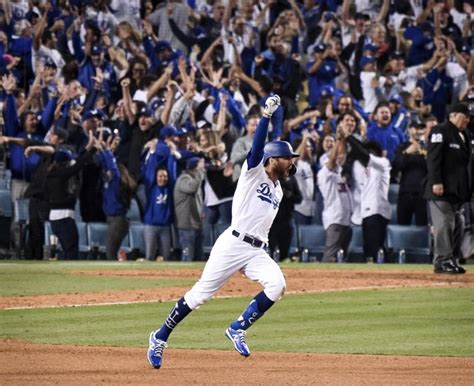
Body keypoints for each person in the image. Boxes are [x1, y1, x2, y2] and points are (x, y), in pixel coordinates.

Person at [147, 95, 298, 369]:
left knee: (277, 284)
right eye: (288, 157)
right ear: (273, 158)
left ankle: (237, 328)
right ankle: (159, 337)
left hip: (256, 250)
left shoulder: (277, 188)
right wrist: (266, 117)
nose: (292, 162)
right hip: (233, 243)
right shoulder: (253, 172)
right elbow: (256, 150)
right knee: (200, 295)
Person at [425, 102, 472, 274]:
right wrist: (436, 181)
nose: (467, 119)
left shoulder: (464, 135)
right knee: (444, 223)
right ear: (453, 115)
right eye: (464, 115)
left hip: (456, 191)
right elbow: (433, 158)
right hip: (441, 189)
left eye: (468, 116)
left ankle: (451, 259)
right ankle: (442, 260)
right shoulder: (440, 131)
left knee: (458, 223)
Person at [173, 156, 205, 262]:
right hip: (186, 225)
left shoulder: (194, 179)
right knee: (188, 256)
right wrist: (200, 172)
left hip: (196, 223)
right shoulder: (183, 179)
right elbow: (191, 188)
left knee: (199, 258)